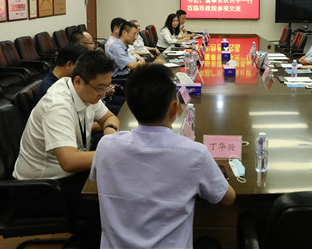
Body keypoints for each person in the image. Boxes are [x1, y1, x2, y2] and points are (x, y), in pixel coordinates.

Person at [90, 64, 235, 249]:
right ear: (174, 109)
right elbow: (227, 198)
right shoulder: (195, 153)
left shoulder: (106, 146)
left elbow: (96, 180)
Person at [13, 51, 120, 248]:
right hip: (40, 188)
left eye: (107, 87)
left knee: (115, 188)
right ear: (78, 81)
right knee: (108, 205)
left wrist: (109, 134)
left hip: (64, 175)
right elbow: (69, 162)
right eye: (100, 88)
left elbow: (110, 118)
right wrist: (113, 152)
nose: (104, 93)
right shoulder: (58, 105)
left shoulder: (85, 92)